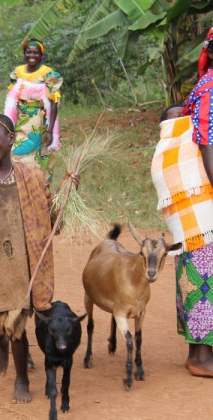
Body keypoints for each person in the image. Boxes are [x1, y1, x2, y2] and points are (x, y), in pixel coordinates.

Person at [0, 114, 78, 403]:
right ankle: (0, 343)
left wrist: (69, 193)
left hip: (25, 267)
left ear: (10, 140)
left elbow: (50, 221)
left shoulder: (31, 175)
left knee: (18, 324)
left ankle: (21, 379)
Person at [156, 27, 213, 377]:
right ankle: (201, 357)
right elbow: (208, 144)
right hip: (202, 193)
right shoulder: (210, 89)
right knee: (203, 270)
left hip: (199, 193)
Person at [4, 38, 62, 182]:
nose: (32, 56)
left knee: (43, 156)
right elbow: (13, 99)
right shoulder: (18, 72)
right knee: (17, 153)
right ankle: (22, 188)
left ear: (41, 55)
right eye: (28, 52)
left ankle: (42, 192)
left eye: (36, 53)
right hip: (21, 121)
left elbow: (54, 102)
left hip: (41, 121)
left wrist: (49, 131)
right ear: (24, 54)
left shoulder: (48, 74)